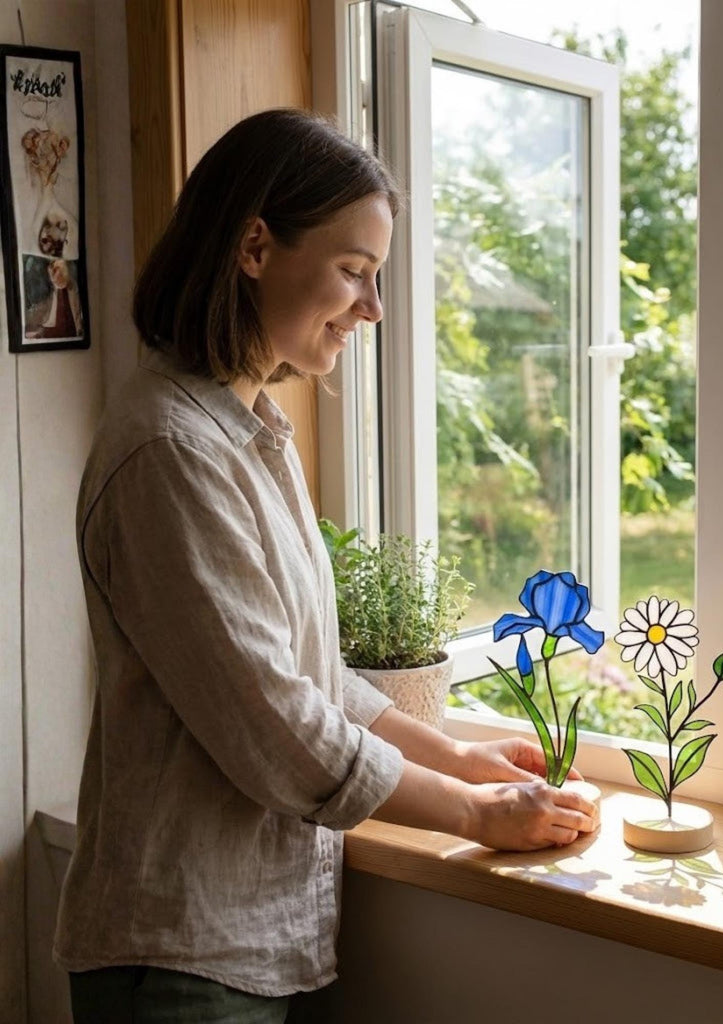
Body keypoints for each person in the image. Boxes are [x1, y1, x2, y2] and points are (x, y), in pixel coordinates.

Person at [54, 108, 597, 1023]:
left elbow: (312, 677)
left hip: (251, 947)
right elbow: (278, 727)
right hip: (182, 963)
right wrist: (475, 817)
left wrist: (462, 761)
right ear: (256, 247)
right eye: (354, 272)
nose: (374, 309)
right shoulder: (171, 455)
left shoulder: (252, 432)